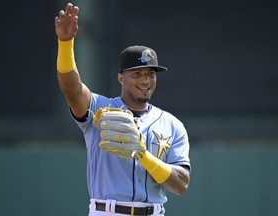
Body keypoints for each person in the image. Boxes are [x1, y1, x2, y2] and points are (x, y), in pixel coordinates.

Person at [55, 3, 191, 216]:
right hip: (108, 211)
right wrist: (65, 43)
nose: (145, 80)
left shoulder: (172, 124)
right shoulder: (100, 108)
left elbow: (181, 184)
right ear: (121, 77)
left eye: (151, 73)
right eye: (137, 74)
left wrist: (143, 155)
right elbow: (71, 89)